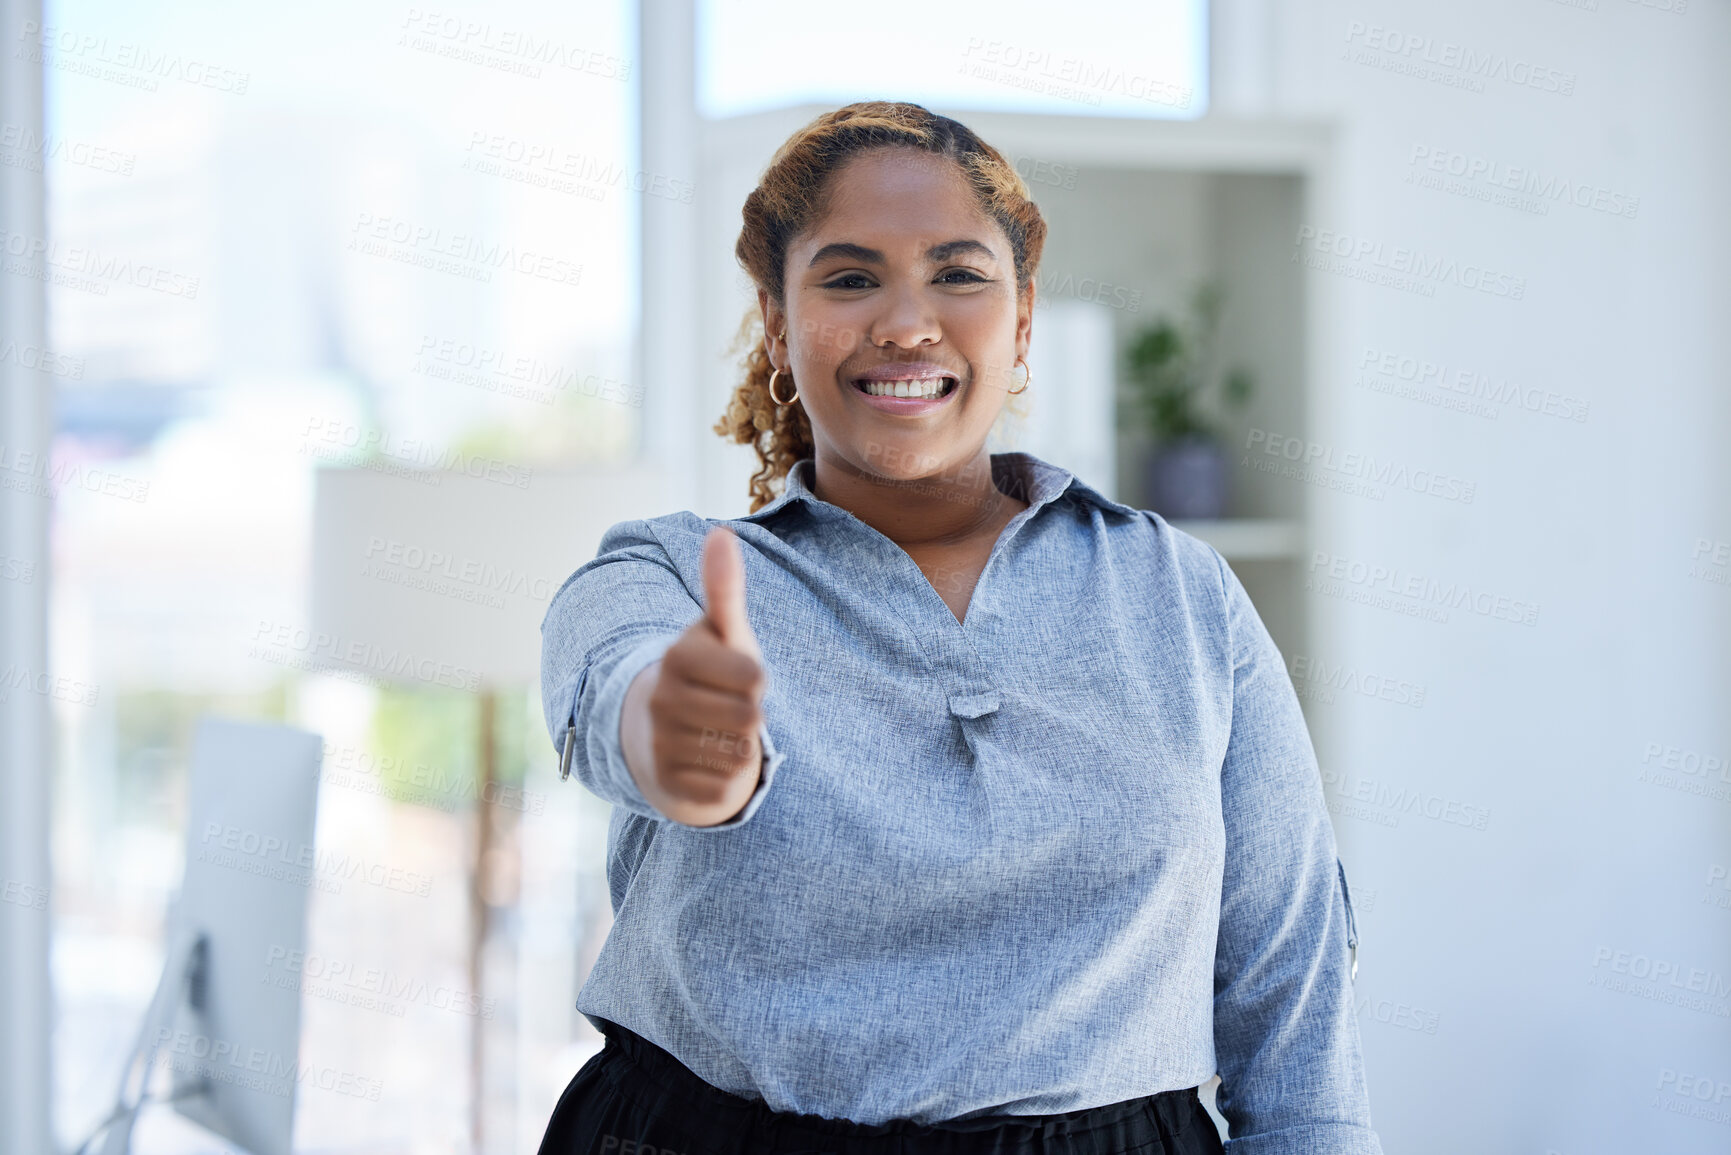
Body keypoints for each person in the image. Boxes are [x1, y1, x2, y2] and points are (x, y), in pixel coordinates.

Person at [537, 101, 1382, 1155]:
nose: (905, 322)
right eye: (849, 278)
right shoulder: (669, 574)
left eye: (958, 274)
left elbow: (1288, 988)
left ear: (1023, 317)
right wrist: (676, 741)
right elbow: (609, 683)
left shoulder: (1183, 595)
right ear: (776, 320)